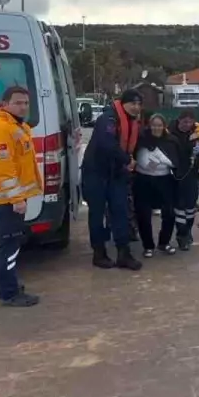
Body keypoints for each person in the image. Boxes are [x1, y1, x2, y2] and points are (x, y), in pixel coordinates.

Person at [0, 86, 43, 307]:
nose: (23, 106)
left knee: (1, 243)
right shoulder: (1, 130)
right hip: (7, 201)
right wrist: (17, 199)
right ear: (5, 104)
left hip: (7, 199)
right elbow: (4, 169)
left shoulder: (17, 127)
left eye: (26, 102)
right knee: (10, 246)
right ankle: (10, 293)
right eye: (18, 102)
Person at [81, 89, 143, 270]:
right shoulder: (108, 119)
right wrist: (127, 160)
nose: (136, 107)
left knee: (120, 212)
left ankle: (124, 253)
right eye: (133, 103)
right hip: (96, 174)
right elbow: (107, 143)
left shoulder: (133, 122)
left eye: (139, 104)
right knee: (97, 215)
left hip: (116, 174)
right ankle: (99, 253)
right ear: (123, 104)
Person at [133, 113, 181, 257]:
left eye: (159, 125)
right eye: (154, 125)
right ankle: (148, 246)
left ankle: (164, 243)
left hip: (164, 180)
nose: (156, 128)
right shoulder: (141, 139)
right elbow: (136, 156)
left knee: (169, 213)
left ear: (164, 126)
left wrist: (161, 159)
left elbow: (175, 161)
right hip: (143, 180)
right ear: (149, 125)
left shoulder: (171, 141)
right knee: (143, 214)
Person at [169, 110, 199, 250]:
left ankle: (187, 231)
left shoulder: (196, 133)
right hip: (177, 176)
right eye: (185, 121)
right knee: (179, 207)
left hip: (192, 175)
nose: (187, 124)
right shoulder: (170, 134)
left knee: (191, 206)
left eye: (190, 122)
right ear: (179, 121)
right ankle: (181, 236)